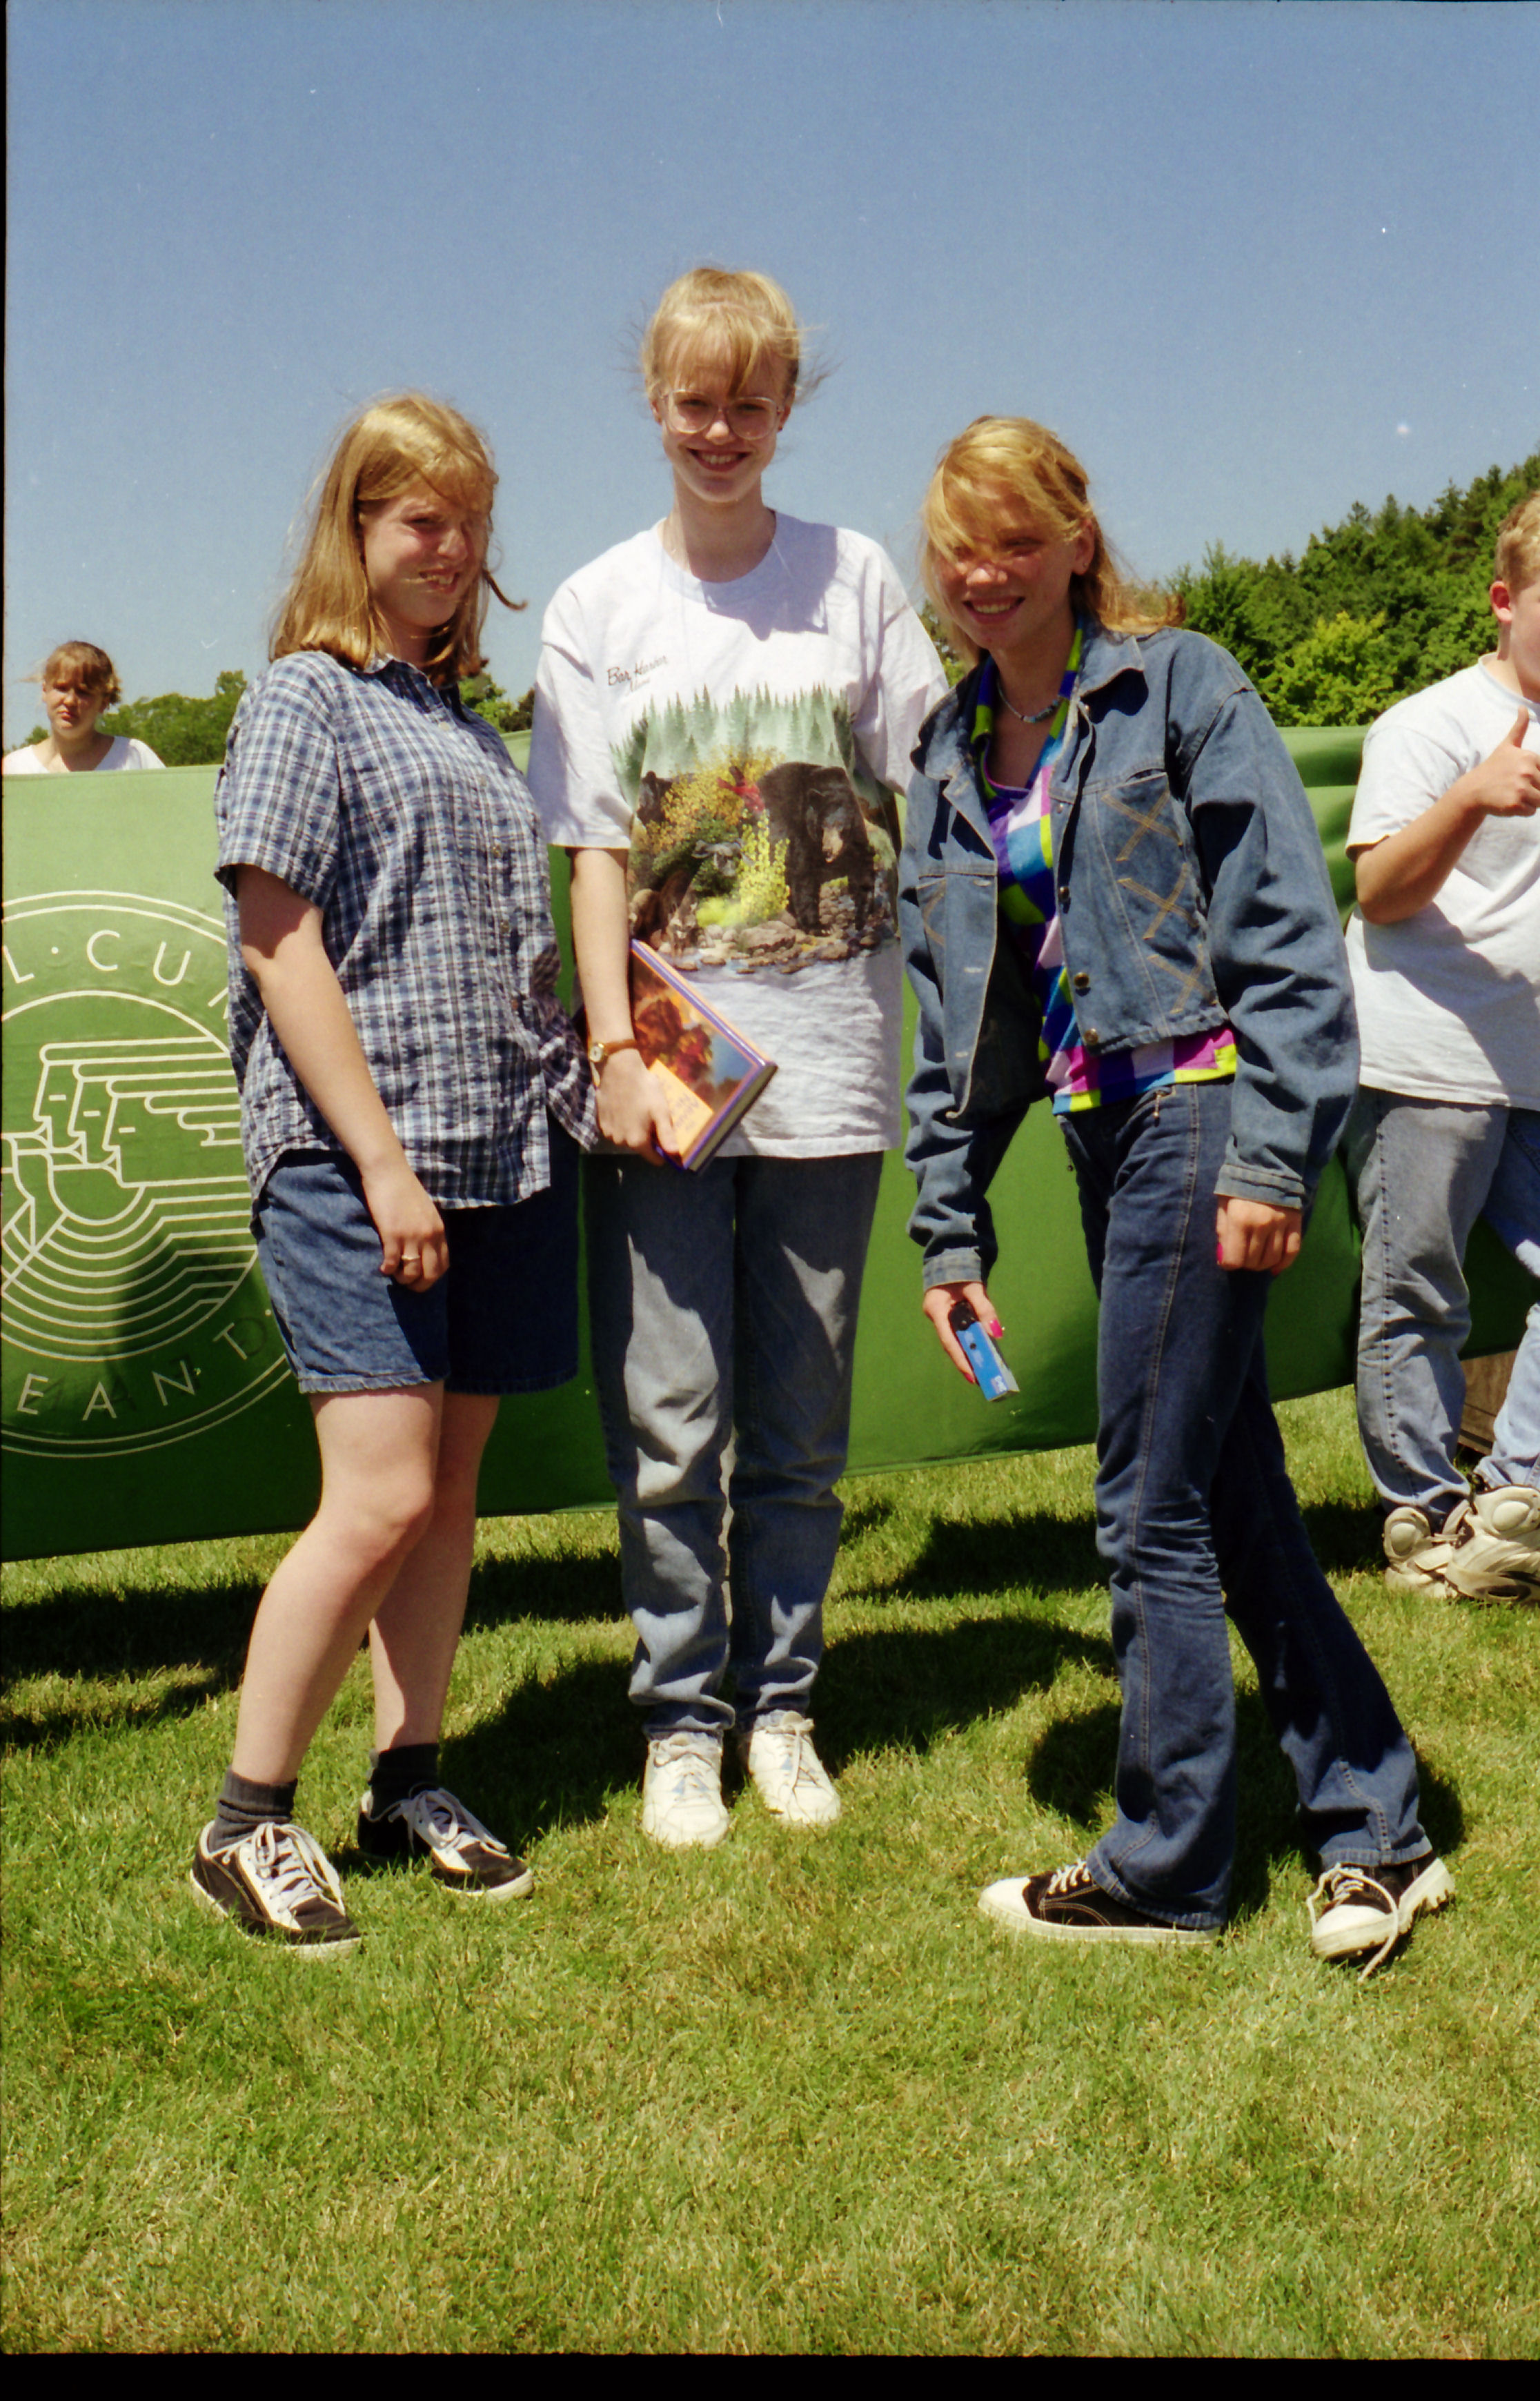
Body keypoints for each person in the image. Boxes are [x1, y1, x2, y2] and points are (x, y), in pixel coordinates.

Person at [900, 417, 1451, 1975]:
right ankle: (1373, 1825)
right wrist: (945, 1224)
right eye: (959, 549)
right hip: (1100, 1134)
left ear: (1077, 542)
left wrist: (1272, 1155)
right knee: (1224, 1490)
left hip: (1199, 1112)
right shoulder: (946, 750)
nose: (985, 573)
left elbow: (1283, 931)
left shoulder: (1179, 686)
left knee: (1144, 1504)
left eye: (1017, 540)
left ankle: (1165, 1864)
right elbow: (958, 1027)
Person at [528, 268, 945, 1848]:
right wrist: (612, 1049)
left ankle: (781, 1706)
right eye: (695, 403)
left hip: (831, 1070)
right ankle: (679, 1720)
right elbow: (591, 852)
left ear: (786, 410)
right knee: (671, 1413)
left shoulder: (856, 580)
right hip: (666, 1079)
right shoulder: (594, 607)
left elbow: (934, 792)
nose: (720, 431)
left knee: (802, 1424)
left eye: (749, 405)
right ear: (655, 404)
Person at [190, 394, 594, 1956]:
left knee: (447, 1498)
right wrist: (378, 1163)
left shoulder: (460, 721)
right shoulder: (307, 696)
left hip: (498, 1154)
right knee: (380, 1497)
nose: (452, 548)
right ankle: (244, 1823)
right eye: (422, 519)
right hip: (360, 1161)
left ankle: (408, 1777)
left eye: (470, 522)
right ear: (355, 525)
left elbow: (498, 957)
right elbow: (276, 938)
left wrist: (599, 1083)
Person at [1343, 492, 1540, 1606]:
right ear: (1504, 602)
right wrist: (1471, 797)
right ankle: (1417, 1523)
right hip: (1425, 1057)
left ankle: (1509, 1501)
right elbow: (1378, 891)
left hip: (1532, 1062)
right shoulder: (1427, 725)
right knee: (1416, 1292)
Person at [3, 641, 164, 773]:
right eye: (62, 688)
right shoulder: (15, 767)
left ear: (104, 702)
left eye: (83, 692)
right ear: (45, 690)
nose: (70, 701)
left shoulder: (134, 757)